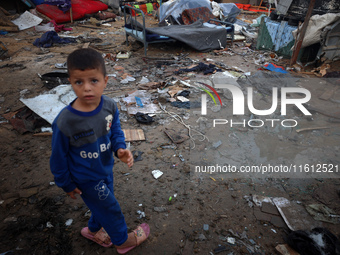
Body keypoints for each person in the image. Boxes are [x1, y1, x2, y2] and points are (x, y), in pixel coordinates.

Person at [50, 48, 149, 254]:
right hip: (86, 178)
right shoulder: (65, 121)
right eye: (79, 82)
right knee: (110, 208)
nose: (87, 88)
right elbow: (58, 157)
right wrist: (66, 183)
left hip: (105, 169)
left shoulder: (110, 106)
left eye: (93, 81)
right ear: (71, 82)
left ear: (105, 80)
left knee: (103, 202)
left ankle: (93, 230)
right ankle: (122, 240)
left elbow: (115, 130)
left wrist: (120, 149)